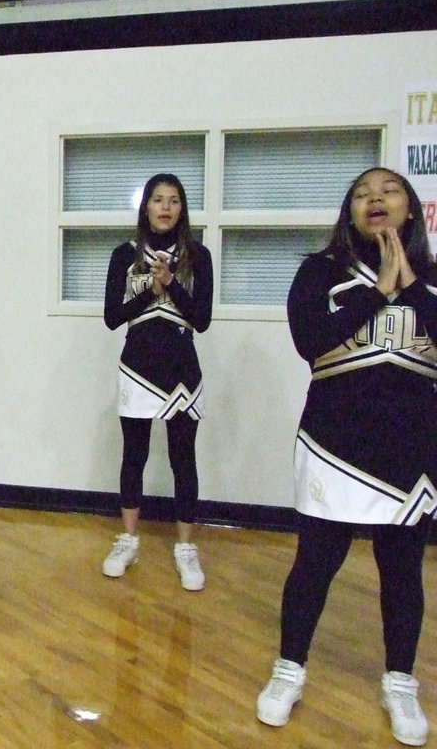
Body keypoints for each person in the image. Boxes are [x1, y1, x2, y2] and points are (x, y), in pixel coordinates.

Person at [256, 168, 437, 746]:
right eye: (362, 194)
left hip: (412, 447)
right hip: (333, 441)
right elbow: (311, 340)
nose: (375, 199)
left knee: (403, 571)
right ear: (349, 212)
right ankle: (289, 670)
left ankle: (400, 682)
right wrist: (378, 290)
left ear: (410, 209)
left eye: (388, 191)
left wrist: (407, 287)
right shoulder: (320, 272)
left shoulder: (432, 279)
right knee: (314, 564)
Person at [100, 173, 213, 591]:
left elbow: (201, 320)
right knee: (135, 455)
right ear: (145, 207)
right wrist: (152, 287)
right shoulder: (124, 255)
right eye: (157, 199)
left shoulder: (198, 256)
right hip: (137, 367)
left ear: (182, 210)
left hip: (183, 370)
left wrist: (172, 286)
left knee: (183, 459)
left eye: (174, 201)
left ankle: (185, 547)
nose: (165, 207)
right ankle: (128, 538)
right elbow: (112, 317)